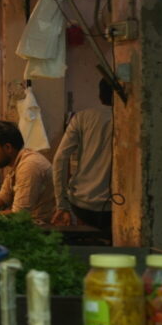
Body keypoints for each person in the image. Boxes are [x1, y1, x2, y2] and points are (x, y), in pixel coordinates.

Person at [51, 79, 114, 233]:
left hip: (81, 203)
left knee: (87, 242)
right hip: (116, 205)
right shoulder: (132, 119)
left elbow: (60, 159)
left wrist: (62, 205)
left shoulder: (81, 117)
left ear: (100, 95)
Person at [0, 121, 55, 224]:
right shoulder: (17, 162)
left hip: (44, 228)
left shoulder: (29, 165)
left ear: (8, 148)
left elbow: (19, 214)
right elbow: (3, 197)